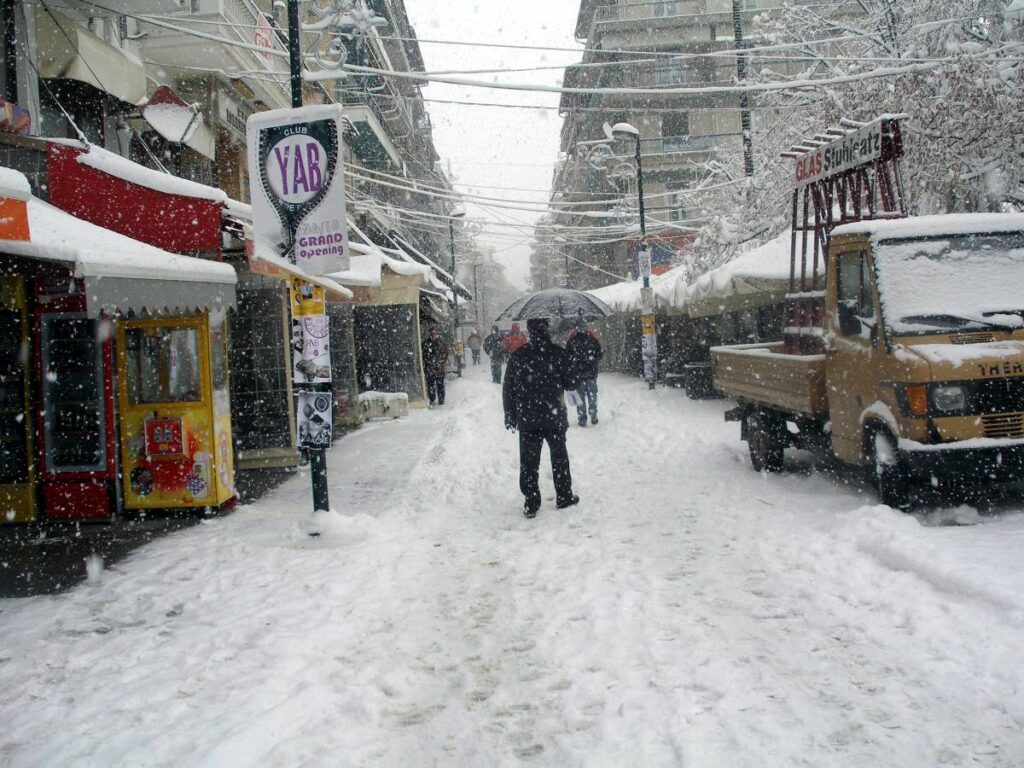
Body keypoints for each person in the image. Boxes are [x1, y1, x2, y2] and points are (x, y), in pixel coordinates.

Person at [502, 317, 580, 518]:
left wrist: (510, 414)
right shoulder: (559, 354)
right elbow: (571, 384)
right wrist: (571, 359)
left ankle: (531, 501)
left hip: (528, 418)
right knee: (559, 457)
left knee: (529, 461)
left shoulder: (519, 356)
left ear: (529, 330)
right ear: (547, 329)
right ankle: (563, 496)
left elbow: (508, 388)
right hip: (554, 417)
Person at [565, 319, 604, 426]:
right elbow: (600, 354)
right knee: (592, 394)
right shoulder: (592, 339)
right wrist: (592, 359)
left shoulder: (571, 341)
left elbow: (566, 358)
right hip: (591, 372)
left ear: (576, 328)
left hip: (578, 374)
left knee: (580, 397)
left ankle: (582, 418)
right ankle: (593, 412)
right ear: (586, 327)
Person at [421, 327, 448, 406]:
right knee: (431, 385)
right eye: (432, 334)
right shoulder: (426, 344)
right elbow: (424, 355)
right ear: (430, 334)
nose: (433, 335)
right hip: (430, 369)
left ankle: (441, 400)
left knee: (440, 385)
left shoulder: (441, 343)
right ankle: (432, 399)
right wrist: (429, 363)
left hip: (438, 368)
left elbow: (445, 354)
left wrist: (441, 362)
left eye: (434, 334)